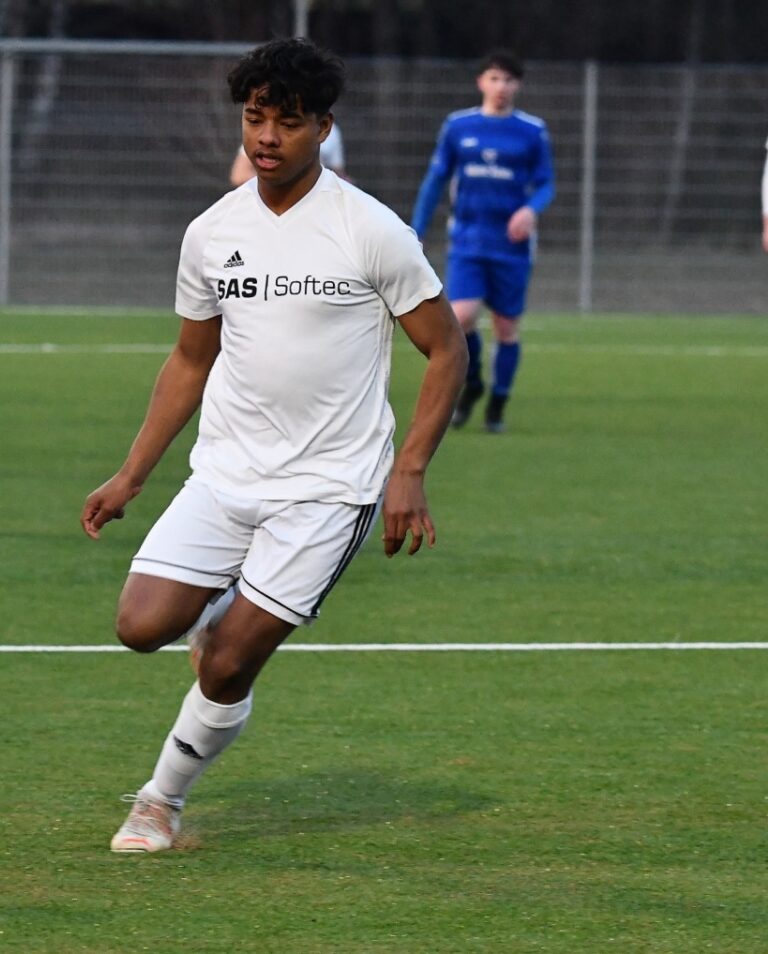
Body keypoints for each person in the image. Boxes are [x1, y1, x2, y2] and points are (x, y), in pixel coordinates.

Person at [81, 38, 467, 853]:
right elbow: (190, 361)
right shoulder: (212, 233)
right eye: (255, 118)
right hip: (226, 474)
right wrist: (130, 475)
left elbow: (447, 349)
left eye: (286, 123)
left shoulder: (371, 230)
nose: (265, 137)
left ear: (323, 128)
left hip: (331, 488)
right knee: (138, 627)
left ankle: (159, 801)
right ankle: (222, 614)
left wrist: (411, 470)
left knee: (224, 664)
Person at [410, 50, 554, 433]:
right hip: (469, 240)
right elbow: (435, 180)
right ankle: (472, 383)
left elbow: (545, 183)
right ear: (481, 82)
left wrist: (531, 210)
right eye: (494, 78)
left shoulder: (532, 130)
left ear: (517, 85)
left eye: (508, 80)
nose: (501, 87)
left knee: (506, 328)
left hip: (512, 246)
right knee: (461, 318)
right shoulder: (459, 126)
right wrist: (417, 229)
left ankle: (498, 404)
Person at [229, 119, 347, 186]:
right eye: (254, 120)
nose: (269, 139)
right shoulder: (264, 135)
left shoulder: (333, 133)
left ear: (323, 128)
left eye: (291, 126)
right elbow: (239, 175)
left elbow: (339, 175)